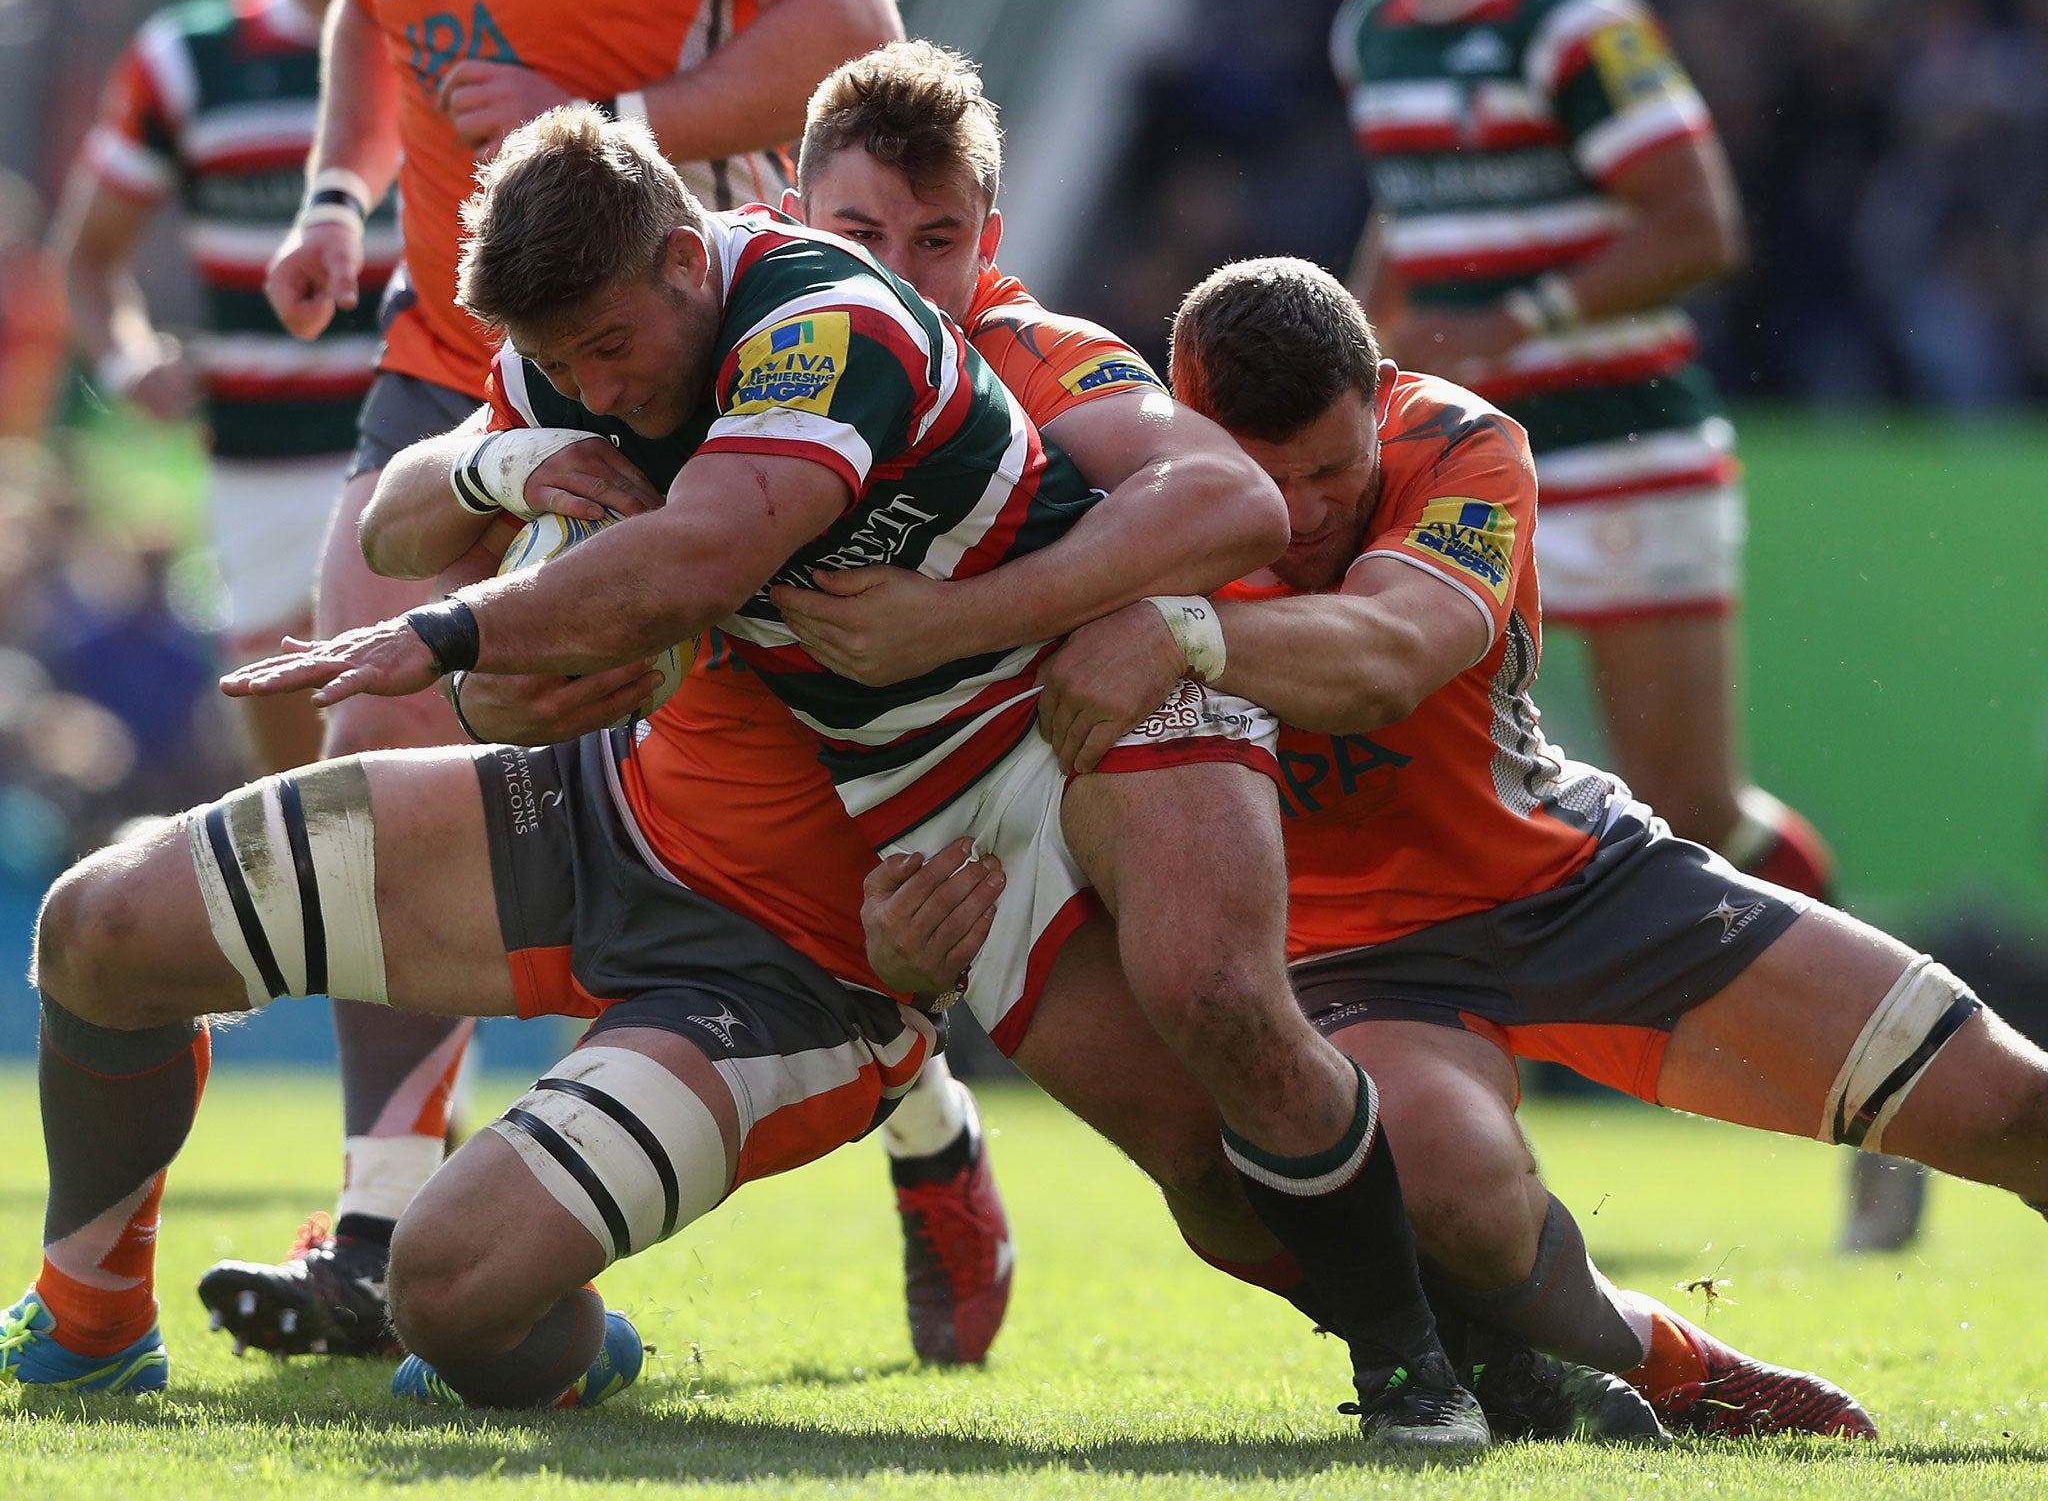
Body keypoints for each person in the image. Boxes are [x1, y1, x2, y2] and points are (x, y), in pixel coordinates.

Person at [7, 112, 1474, 1447]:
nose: (593, 384)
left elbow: (699, 558)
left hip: (851, 917)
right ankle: (85, 1317)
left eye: (936, 235)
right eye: (862, 223)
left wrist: (453, 636)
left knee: (1218, 1104)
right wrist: (505, 478)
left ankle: (1486, 1347)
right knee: (98, 925)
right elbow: (437, 529)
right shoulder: (579, 349)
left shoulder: (858, 331)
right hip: (623, 812)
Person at [880, 255, 2048, 1438]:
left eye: (1335, 469)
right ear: (1181, 428)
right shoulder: (1119, 492)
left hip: (1584, 880)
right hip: (1356, 971)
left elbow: (1393, 652)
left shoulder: (1457, 441)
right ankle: (1672, 1365)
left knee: (2013, 1110)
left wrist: (1179, 630)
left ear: (1377, 393)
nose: (1304, 513)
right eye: (1266, 482)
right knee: (1444, 1198)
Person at [201, 0, 919, 1357]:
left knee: (718, 748)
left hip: (676, 346)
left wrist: (604, 111)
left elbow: (855, 36)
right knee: (375, 723)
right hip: (452, 349)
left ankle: (930, 1127)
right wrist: (338, 198)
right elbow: (369, 12)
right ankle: (379, 1225)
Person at [1329, 0, 1916, 1257]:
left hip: (1626, 453)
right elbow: (1410, 216)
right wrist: (1361, 345)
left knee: (1692, 811)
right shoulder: (1370, 25)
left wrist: (1520, 317)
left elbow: (1698, 223)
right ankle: (1457, 1147)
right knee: (1436, 790)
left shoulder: (1570, 19)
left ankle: (1906, 1064)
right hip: (1466, 464)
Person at [52, 0, 388, 781]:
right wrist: (130, 363)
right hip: (260, 468)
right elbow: (87, 256)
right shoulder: (187, 57)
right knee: (303, 799)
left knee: (435, 781)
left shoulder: (450, 29)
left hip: (427, 451)